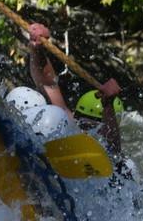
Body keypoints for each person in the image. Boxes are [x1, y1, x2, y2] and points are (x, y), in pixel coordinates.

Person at [27, 22, 123, 158]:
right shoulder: (68, 124)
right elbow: (48, 84)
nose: (86, 128)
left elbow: (113, 150)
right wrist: (36, 49)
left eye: (93, 125)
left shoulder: (115, 157)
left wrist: (108, 106)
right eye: (82, 122)